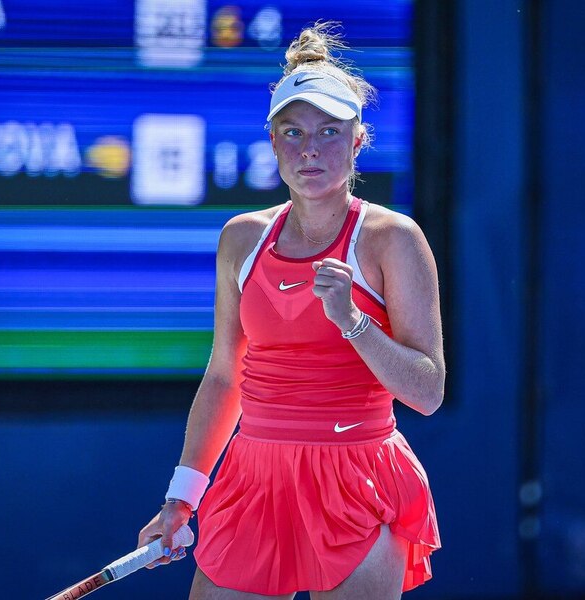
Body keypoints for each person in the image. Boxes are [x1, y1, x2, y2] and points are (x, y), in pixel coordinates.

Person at [137, 22, 445, 600]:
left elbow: (427, 391)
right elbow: (225, 377)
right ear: (272, 141)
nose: (310, 150)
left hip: (357, 479)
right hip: (251, 480)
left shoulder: (393, 239)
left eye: (330, 132)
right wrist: (181, 498)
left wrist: (353, 322)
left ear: (357, 141)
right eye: (293, 132)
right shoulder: (240, 239)